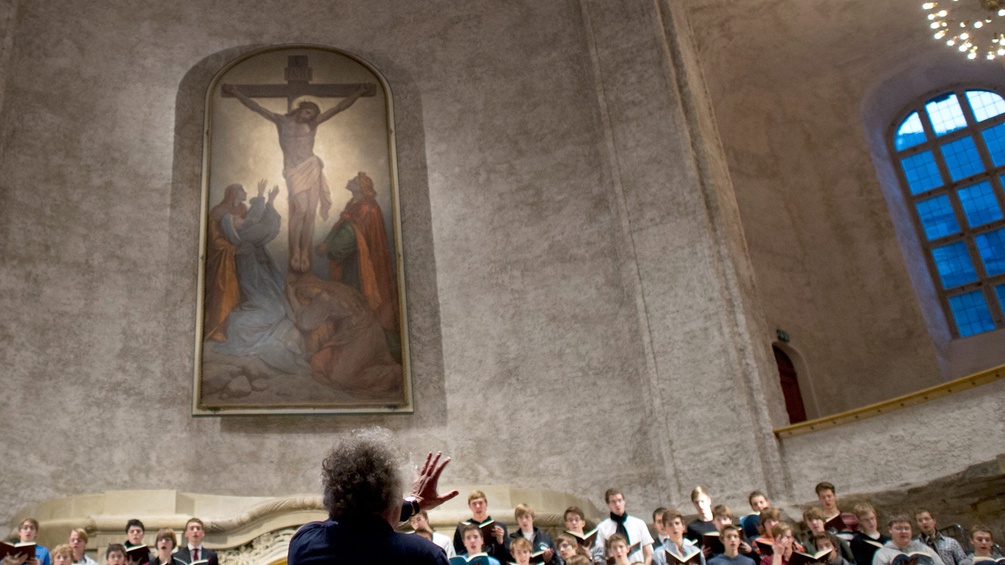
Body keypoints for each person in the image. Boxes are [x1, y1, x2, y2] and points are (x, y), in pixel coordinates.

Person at [223, 83, 367, 273]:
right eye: (306, 112)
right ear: (300, 109)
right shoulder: (281, 121)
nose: (308, 116)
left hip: (311, 166)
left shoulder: (312, 124)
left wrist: (357, 92)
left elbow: (338, 108)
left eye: (311, 115)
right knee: (300, 210)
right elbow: (255, 107)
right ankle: (296, 250)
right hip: (293, 171)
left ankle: (305, 252)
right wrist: (235, 92)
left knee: (309, 213)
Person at [287, 429, 458, 565]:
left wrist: (414, 504)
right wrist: (414, 503)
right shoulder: (422, 555)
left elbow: (349, 520)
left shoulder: (305, 543)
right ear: (391, 500)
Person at [214, 180, 308, 374]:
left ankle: (279, 340)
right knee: (276, 309)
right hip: (256, 282)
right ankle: (261, 336)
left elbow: (259, 224)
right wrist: (267, 200)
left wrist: (266, 200)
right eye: (237, 220)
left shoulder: (246, 236)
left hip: (261, 278)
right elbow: (266, 227)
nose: (243, 219)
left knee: (278, 307)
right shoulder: (245, 239)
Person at [317, 171, 400, 332]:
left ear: (361, 187)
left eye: (354, 180)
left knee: (356, 295)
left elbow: (353, 233)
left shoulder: (366, 208)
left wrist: (329, 247)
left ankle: (360, 329)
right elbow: (343, 226)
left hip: (360, 263)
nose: (349, 180)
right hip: (350, 259)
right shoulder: (353, 204)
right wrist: (327, 242)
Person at [203, 183, 247, 342]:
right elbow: (213, 240)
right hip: (222, 260)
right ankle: (217, 329)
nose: (245, 192)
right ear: (234, 193)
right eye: (242, 190)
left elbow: (249, 230)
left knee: (242, 292)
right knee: (222, 291)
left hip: (240, 260)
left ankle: (232, 330)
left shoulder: (243, 210)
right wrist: (232, 248)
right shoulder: (217, 211)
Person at [594, 488, 654, 565]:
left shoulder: (639, 523)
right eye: (613, 502)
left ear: (624, 502)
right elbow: (598, 556)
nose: (617, 504)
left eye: (619, 500)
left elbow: (648, 552)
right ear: (608, 504)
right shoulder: (602, 527)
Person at [452, 491, 510, 563]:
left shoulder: (499, 527)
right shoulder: (463, 528)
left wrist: (500, 542)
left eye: (480, 503)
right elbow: (457, 552)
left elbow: (507, 556)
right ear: (470, 506)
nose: (478, 507)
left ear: (486, 504)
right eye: (474, 504)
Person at [872, 514, 944, 565]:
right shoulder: (882, 554)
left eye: (907, 528)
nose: (903, 532)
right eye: (898, 528)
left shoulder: (924, 549)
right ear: (890, 530)